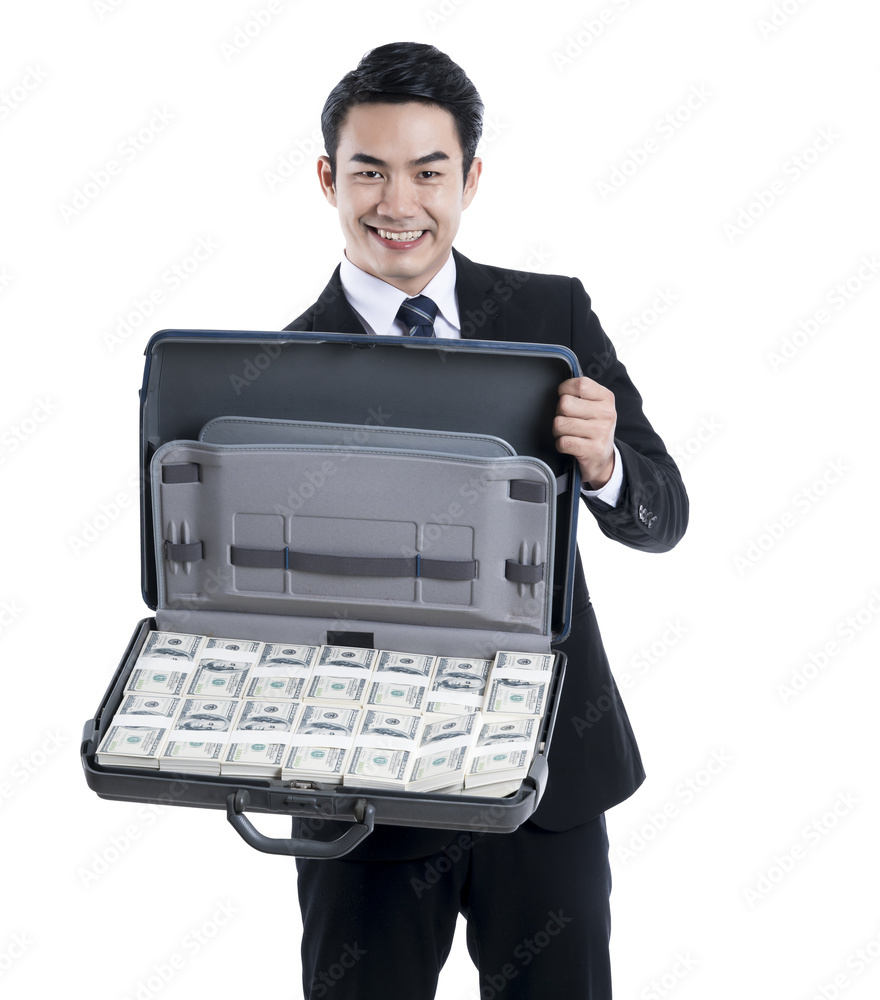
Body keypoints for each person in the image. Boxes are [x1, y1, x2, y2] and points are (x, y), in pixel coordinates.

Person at [284, 41, 688, 1000]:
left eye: (428, 172)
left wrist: (605, 461)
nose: (398, 204)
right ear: (326, 180)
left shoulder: (550, 316)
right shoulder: (279, 367)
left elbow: (663, 513)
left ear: (469, 177)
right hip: (363, 797)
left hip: (546, 783)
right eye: (369, 172)